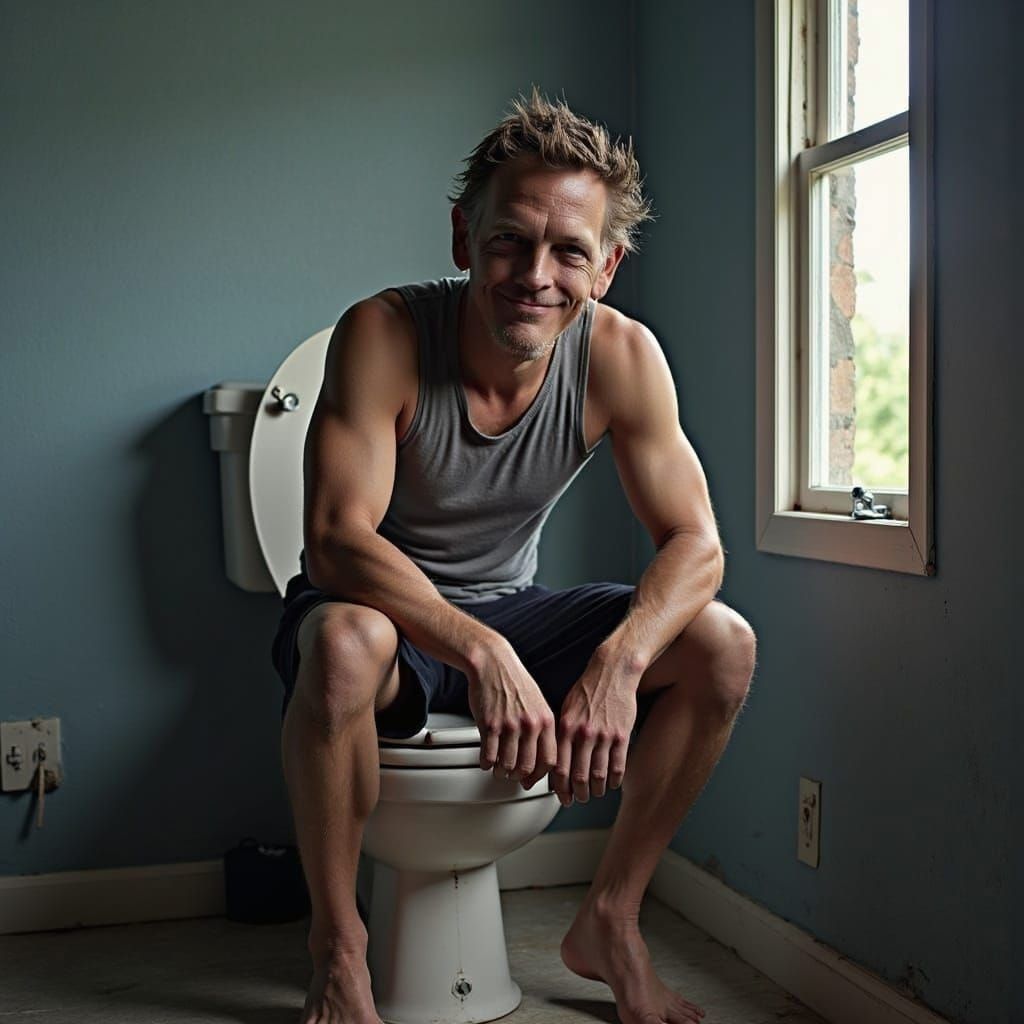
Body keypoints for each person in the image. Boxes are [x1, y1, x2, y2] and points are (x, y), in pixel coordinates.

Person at [273, 90, 757, 1024]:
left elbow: (698, 543)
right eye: (509, 240)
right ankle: (338, 949)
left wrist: (619, 663)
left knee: (721, 645)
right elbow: (335, 538)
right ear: (464, 237)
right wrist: (481, 651)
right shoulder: (383, 333)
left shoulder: (621, 357)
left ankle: (611, 919)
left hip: (512, 608)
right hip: (378, 616)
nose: (535, 273)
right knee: (341, 650)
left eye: (570, 249)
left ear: (606, 266)